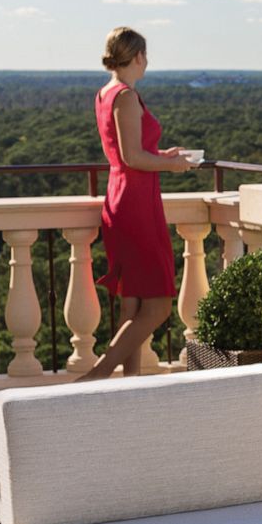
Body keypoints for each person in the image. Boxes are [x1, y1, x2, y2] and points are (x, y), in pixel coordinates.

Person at [79, 26, 196, 381]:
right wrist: (173, 164)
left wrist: (162, 154)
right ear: (139, 56)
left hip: (122, 195)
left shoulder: (105, 93)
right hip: (135, 202)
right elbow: (132, 157)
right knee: (158, 304)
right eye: (146, 56)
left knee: (133, 302)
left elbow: (126, 152)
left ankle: (128, 386)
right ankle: (97, 374)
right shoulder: (126, 96)